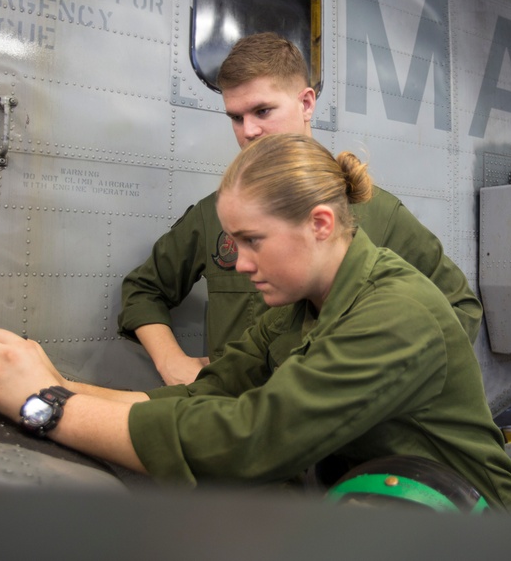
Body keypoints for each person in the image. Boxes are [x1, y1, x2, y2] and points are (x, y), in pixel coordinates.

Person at [0, 134, 511, 512]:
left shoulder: (395, 314)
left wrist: (47, 409)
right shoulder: (298, 307)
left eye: (253, 241)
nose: (240, 263)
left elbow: (251, 439)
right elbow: (207, 397)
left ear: (321, 223)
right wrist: (60, 386)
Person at [119, 33, 482, 385]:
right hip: (234, 425)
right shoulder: (216, 215)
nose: (249, 131)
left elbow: (459, 312)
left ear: (306, 103)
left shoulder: (377, 213)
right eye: (236, 117)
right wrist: (173, 364)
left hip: (330, 431)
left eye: (263, 110)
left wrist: (373, 389)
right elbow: (144, 289)